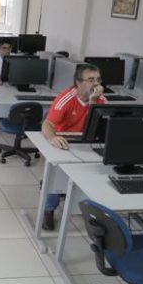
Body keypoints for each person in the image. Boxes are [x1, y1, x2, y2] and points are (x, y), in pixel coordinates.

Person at [41, 63, 106, 230]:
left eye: (98, 79)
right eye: (90, 80)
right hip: (64, 140)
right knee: (56, 173)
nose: (96, 84)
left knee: (97, 171)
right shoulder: (66, 98)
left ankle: (91, 211)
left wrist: (92, 102)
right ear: (78, 83)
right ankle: (48, 209)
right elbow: (47, 124)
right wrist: (53, 137)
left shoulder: (101, 99)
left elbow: (99, 125)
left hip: (87, 141)